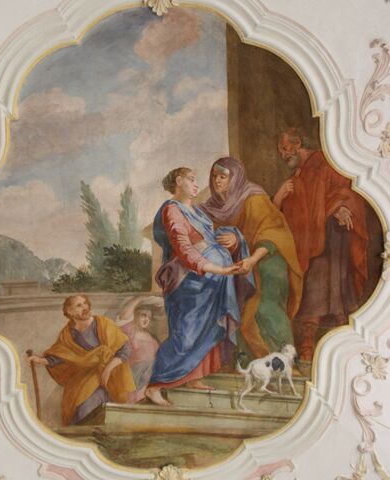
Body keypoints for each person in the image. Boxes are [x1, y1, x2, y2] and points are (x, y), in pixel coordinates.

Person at [145, 167, 254, 406]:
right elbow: (184, 248)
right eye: (191, 180)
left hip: (211, 284)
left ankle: (194, 377)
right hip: (189, 282)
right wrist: (218, 269)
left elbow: (212, 238)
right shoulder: (172, 210)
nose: (196, 184)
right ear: (178, 181)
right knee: (186, 334)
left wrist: (234, 239)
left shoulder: (197, 212)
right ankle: (155, 385)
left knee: (208, 329)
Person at [273, 128, 369, 362]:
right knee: (313, 290)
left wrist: (339, 207)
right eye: (281, 151)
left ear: (298, 144)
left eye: (285, 149)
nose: (283, 155)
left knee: (336, 290)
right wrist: (282, 197)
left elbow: (344, 190)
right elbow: (297, 209)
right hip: (309, 242)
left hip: (333, 237)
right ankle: (308, 343)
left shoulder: (324, 162)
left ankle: (344, 345)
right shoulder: (298, 174)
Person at [201, 157, 303, 361]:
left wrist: (249, 255)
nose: (217, 181)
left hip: (266, 259)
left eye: (223, 176)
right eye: (214, 176)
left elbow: (272, 232)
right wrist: (235, 241)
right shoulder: (211, 207)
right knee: (233, 304)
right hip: (237, 264)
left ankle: (284, 361)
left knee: (264, 308)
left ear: (236, 178)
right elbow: (208, 237)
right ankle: (251, 360)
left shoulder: (253, 197)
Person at [27, 294, 135, 425]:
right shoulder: (67, 333)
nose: (85, 307)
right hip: (81, 380)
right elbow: (61, 355)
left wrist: (108, 369)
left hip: (106, 379)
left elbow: (124, 348)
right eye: (79, 305)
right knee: (76, 411)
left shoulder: (103, 323)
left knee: (91, 409)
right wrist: (40, 360)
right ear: (69, 311)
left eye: (85, 303)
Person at [116, 295, 162, 402]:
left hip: (145, 382)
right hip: (128, 376)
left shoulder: (153, 340)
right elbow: (124, 316)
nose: (146, 319)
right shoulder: (129, 330)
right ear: (135, 315)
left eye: (149, 317)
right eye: (143, 315)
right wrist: (140, 298)